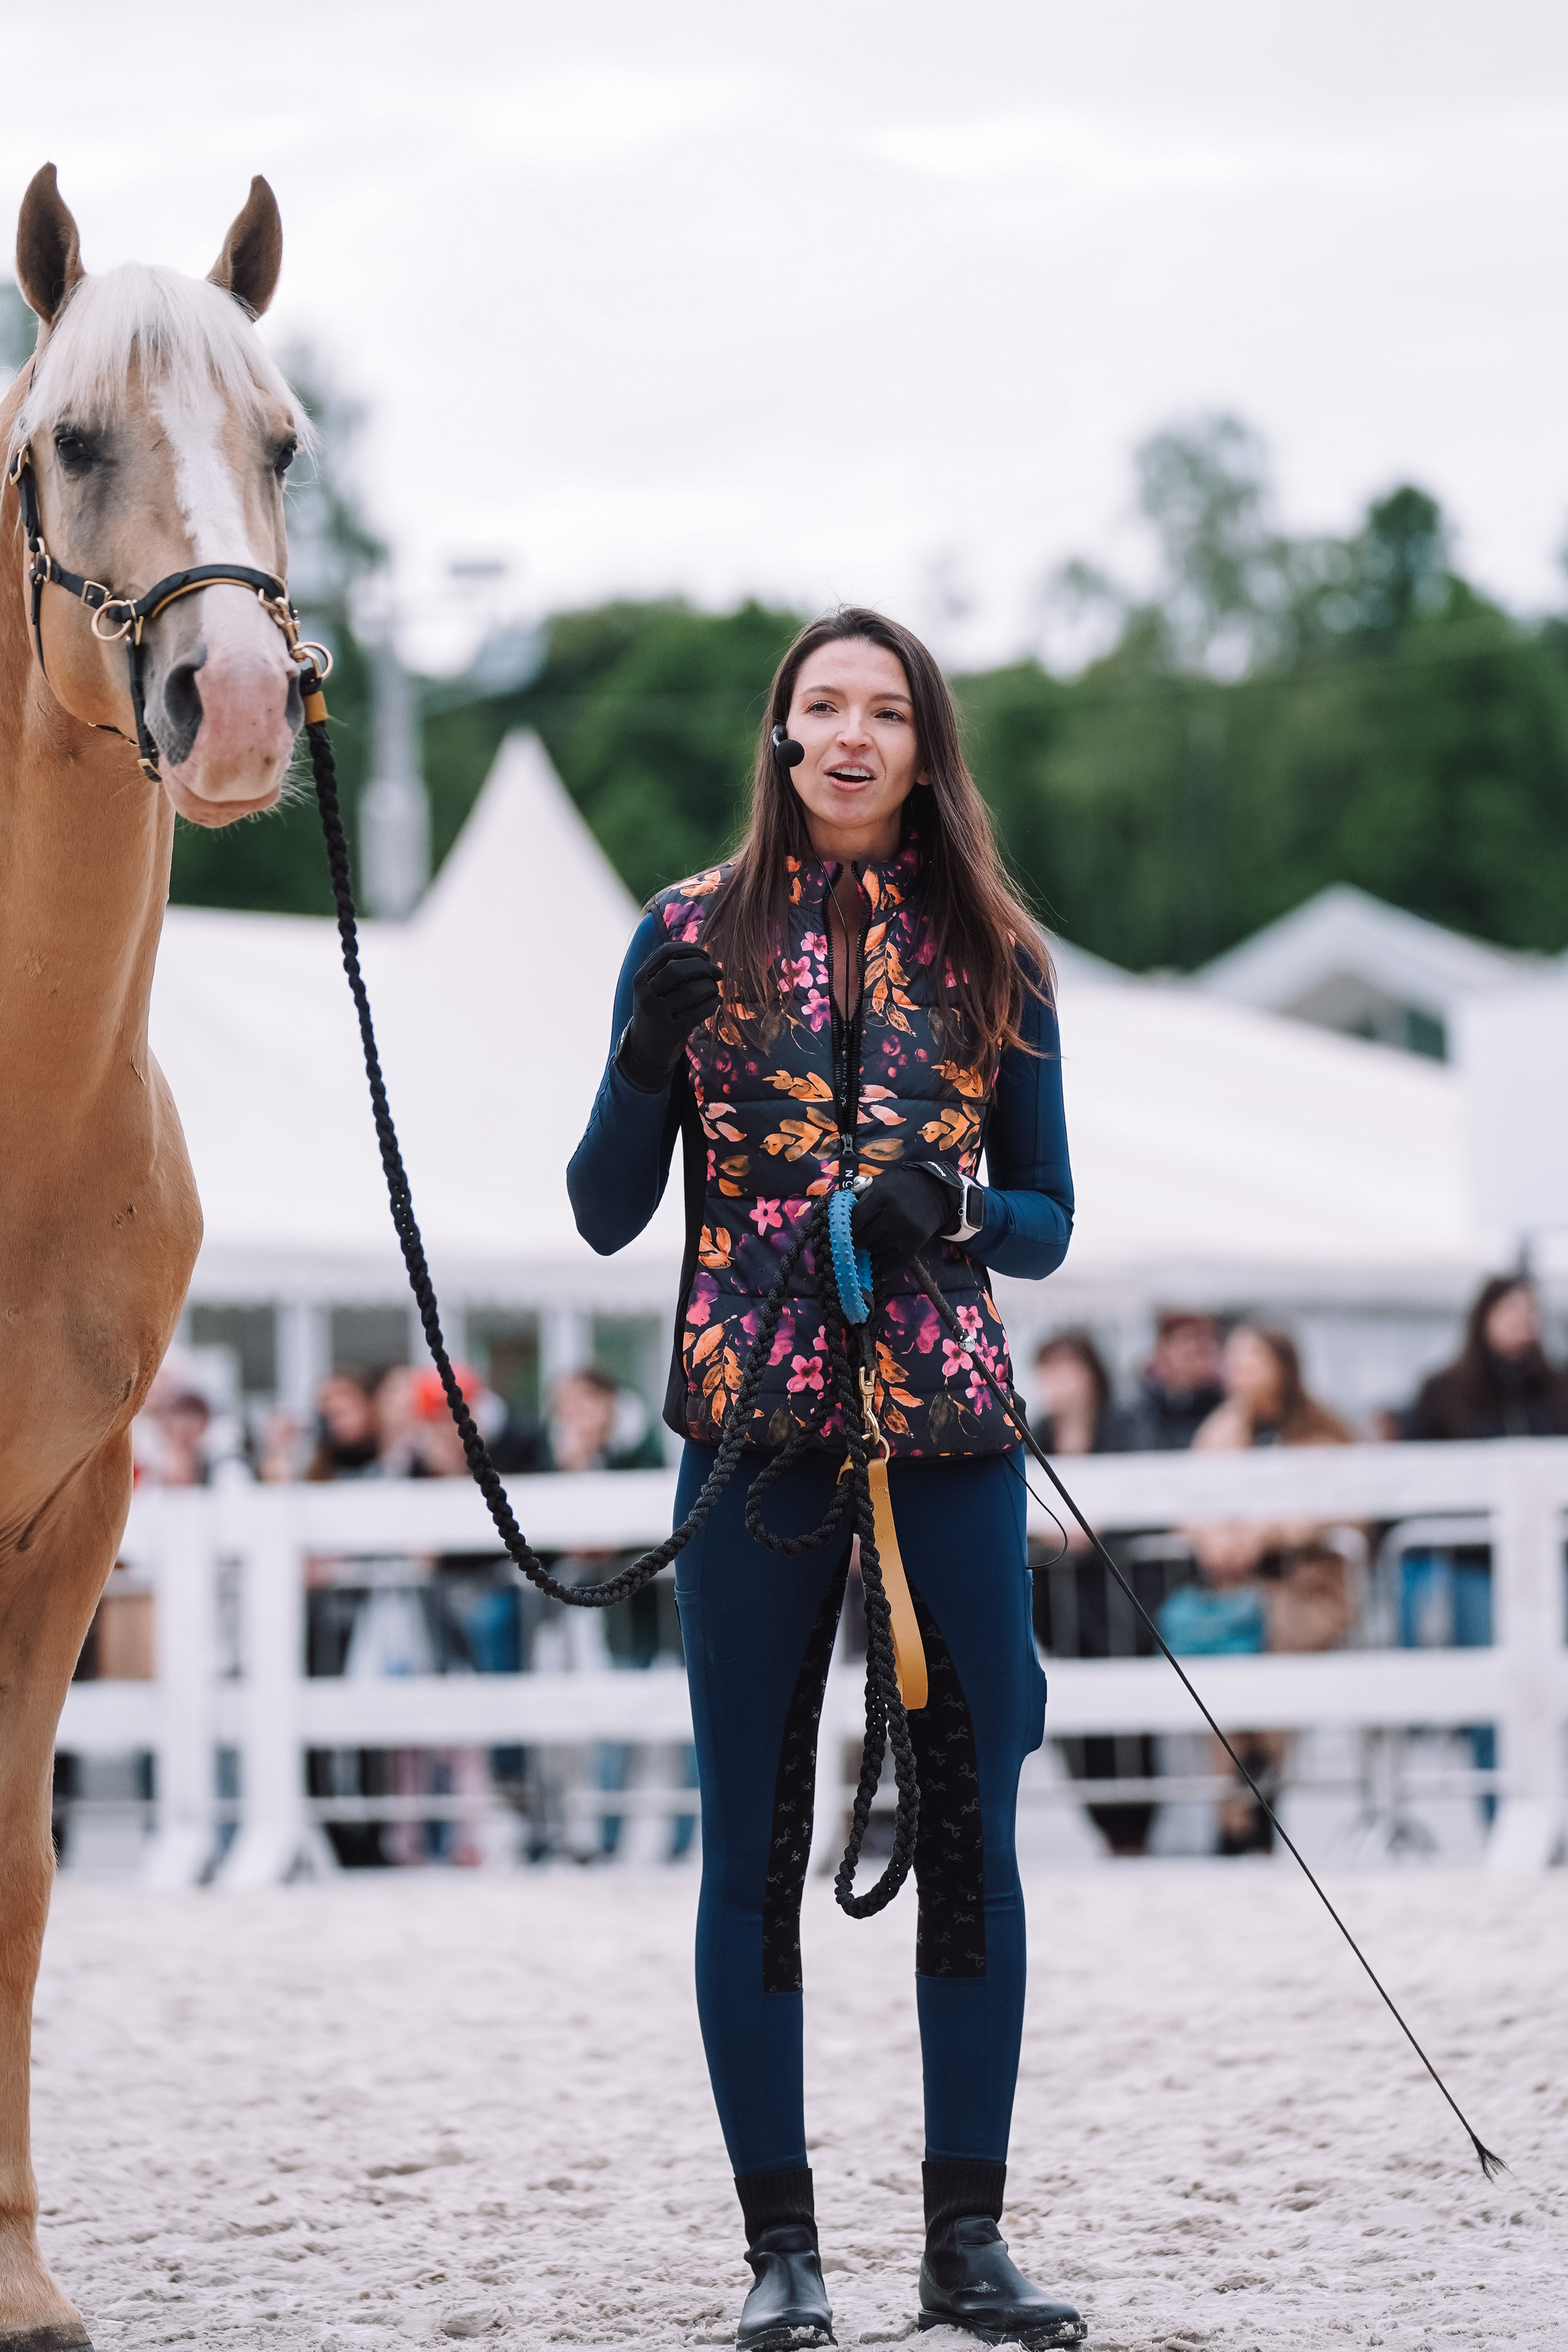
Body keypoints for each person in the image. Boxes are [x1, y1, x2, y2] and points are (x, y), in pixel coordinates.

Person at [568, 609, 1082, 2350]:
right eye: (823, 708)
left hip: (945, 1428)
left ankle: (969, 2244)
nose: (854, 736)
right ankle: (782, 2251)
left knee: (975, 1830)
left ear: (926, 747)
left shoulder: (997, 952)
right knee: (752, 1840)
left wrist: (954, 1213)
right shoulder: (686, 933)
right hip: (752, 1431)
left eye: (887, 712)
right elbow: (602, 1209)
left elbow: (1053, 1221)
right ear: (782, 736)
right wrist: (645, 1058)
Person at [1175, 1325, 1354, 1855]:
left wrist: (1266, 1533)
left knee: (1271, 1656)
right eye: (1234, 1359)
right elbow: (1189, 1501)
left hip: (1306, 1589)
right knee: (1224, 1673)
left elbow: (1343, 1505)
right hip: (1238, 1590)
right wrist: (1216, 1542)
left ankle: (1257, 1795)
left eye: (1252, 1357)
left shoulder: (1322, 1431)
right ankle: (1238, 1814)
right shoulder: (1222, 1429)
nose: (1239, 1369)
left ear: (1283, 1364)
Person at [1395, 1275, 1567, 1817]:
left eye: (1530, 1312)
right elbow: (1415, 1474)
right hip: (1476, 1561)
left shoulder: (1557, 1386)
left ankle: (1552, 1816)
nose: (1524, 1322)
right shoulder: (1443, 1391)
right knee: (1492, 1700)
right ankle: (1502, 1818)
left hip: (1554, 1559)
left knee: (1556, 1694)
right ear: (1485, 1317)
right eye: (1513, 1311)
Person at [1117, 1311, 1224, 1452]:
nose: (1196, 1348)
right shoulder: (1131, 1416)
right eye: (1186, 1340)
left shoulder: (1224, 1409)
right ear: (1162, 1348)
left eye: (1204, 1340)